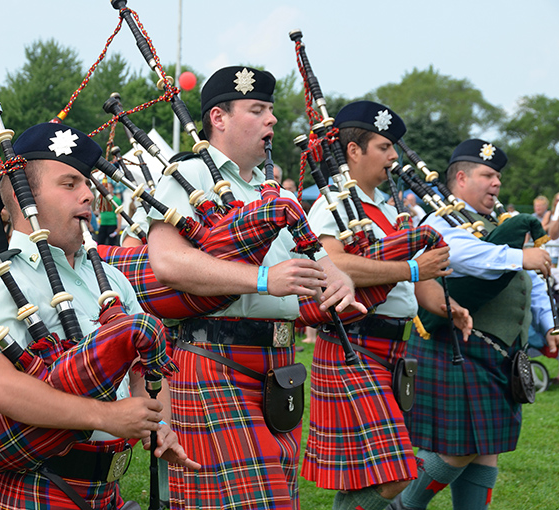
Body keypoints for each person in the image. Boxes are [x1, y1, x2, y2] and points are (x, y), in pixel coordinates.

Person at [146, 66, 364, 510]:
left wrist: (336, 279)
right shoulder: (188, 177)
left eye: (270, 109)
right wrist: (263, 279)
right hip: (214, 358)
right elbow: (166, 263)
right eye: (257, 109)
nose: (272, 120)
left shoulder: (272, 192)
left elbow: (316, 262)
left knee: (278, 495)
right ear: (219, 118)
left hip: (278, 367)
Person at [0, 122, 198, 509]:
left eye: (86, 183)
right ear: (27, 198)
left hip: (106, 490)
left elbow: (145, 363)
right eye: (69, 183)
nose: (89, 194)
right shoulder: (7, 282)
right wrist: (107, 416)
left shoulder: (111, 279)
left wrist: (161, 426)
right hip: (37, 487)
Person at [301, 100, 471, 510]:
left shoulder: (393, 211)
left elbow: (410, 287)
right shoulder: (332, 205)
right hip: (351, 345)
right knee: (395, 473)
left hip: (394, 349)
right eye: (384, 146)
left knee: (365, 474)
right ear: (354, 151)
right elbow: (333, 266)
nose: (394, 156)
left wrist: (449, 306)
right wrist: (413, 268)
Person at [394, 139, 558, 510]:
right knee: (459, 450)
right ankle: (403, 503)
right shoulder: (438, 221)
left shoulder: (495, 225)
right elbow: (463, 256)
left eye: (498, 175)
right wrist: (519, 254)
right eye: (487, 175)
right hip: (455, 346)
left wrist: (549, 324)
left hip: (499, 354)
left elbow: (526, 279)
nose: (496, 183)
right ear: (462, 178)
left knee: (487, 450)